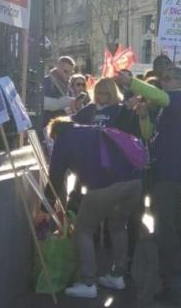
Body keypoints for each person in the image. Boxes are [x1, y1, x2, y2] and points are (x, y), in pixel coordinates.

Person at [117, 68, 181, 306]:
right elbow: (149, 135)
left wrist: (130, 82)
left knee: (168, 229)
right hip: (165, 172)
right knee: (176, 226)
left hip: (171, 173)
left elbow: (160, 96)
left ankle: (174, 280)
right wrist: (143, 116)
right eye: (163, 79)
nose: (163, 83)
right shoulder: (166, 107)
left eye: (167, 78)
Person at [46, 117, 143, 299]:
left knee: (83, 230)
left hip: (105, 185)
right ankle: (118, 276)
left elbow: (55, 177)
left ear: (55, 133)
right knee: (118, 226)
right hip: (134, 182)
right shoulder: (92, 129)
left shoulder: (63, 139)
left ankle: (88, 282)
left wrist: (46, 207)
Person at [72, 77, 140, 136]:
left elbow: (126, 131)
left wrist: (128, 109)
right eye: (99, 93)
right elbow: (73, 121)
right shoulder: (90, 108)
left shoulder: (120, 109)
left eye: (106, 94)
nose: (102, 96)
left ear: (112, 93)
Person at [42, 57, 76, 131]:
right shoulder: (47, 81)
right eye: (66, 71)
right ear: (58, 68)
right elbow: (43, 102)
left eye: (71, 73)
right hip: (48, 126)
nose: (69, 75)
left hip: (63, 126)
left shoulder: (68, 86)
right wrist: (64, 102)